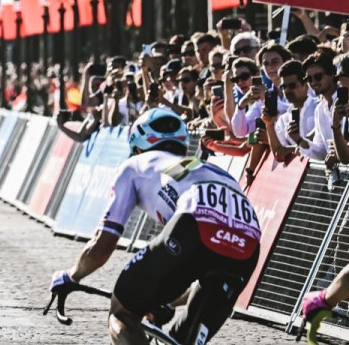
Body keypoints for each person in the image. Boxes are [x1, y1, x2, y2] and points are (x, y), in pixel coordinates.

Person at [49, 108, 261, 344]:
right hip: (248, 246)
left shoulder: (135, 164)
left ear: (137, 148)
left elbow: (103, 245)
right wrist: (166, 299)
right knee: (183, 340)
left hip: (194, 228)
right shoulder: (202, 168)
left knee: (123, 314)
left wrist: (72, 275)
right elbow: (200, 269)